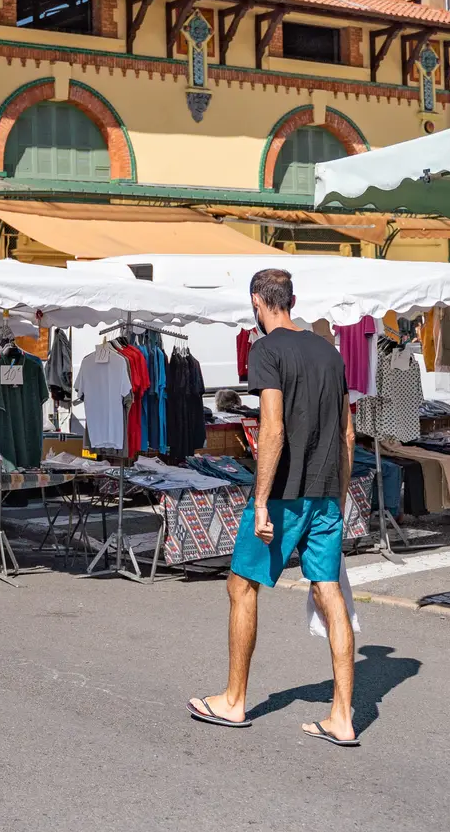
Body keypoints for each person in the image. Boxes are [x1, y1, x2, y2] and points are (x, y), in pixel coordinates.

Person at [190, 269, 358, 745]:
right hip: (326, 492)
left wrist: (260, 501)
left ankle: (234, 700)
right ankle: (342, 717)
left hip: (284, 493)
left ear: (257, 303)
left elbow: (272, 428)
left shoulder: (265, 349)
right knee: (330, 594)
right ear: (293, 300)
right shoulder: (329, 351)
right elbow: (347, 434)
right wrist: (339, 500)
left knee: (241, 586)